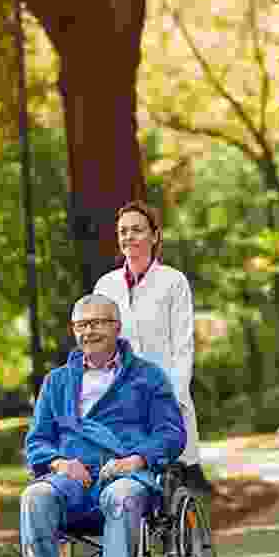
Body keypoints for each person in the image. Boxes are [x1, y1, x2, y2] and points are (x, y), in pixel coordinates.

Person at [16, 293, 186, 557]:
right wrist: (61, 463)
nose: (88, 331)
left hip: (124, 474)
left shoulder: (147, 376)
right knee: (35, 496)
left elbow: (171, 433)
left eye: (97, 323)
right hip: (72, 480)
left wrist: (136, 459)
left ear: (117, 328)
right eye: (81, 325)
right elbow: (37, 441)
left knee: (121, 495)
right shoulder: (57, 381)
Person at [93, 200, 213, 494]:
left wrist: (174, 393)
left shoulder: (173, 282)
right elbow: (97, 344)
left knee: (168, 472)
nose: (129, 237)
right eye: (123, 231)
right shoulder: (105, 287)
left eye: (137, 230)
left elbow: (182, 345)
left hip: (164, 392)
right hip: (120, 395)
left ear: (155, 236)